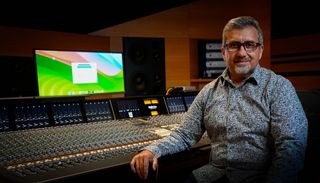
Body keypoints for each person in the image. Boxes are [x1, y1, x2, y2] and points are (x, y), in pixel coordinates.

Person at [130, 16, 308, 183]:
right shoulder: (208, 91)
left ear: (260, 50)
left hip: (259, 176)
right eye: (234, 45)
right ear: (224, 52)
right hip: (212, 175)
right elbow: (184, 134)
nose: (242, 52)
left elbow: (291, 147)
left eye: (250, 45)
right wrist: (152, 150)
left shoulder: (278, 87)